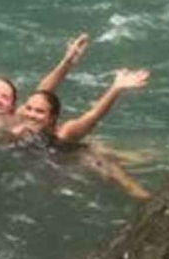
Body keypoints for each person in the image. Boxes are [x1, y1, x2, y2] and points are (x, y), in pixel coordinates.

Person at [10, 70, 152, 199]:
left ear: (52, 118)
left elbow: (93, 115)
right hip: (67, 151)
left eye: (39, 111)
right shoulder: (20, 122)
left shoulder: (65, 132)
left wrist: (116, 88)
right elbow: (42, 89)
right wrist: (67, 61)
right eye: (29, 108)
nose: (31, 114)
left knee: (130, 186)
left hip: (82, 155)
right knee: (130, 156)